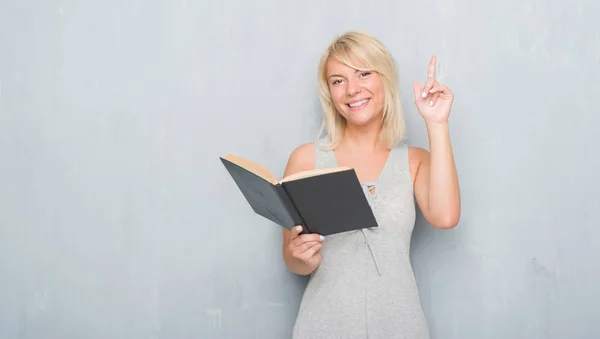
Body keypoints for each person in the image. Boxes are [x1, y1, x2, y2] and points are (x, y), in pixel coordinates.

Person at [281, 30, 461, 338]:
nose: (352, 89)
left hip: (401, 328)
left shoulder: (415, 160)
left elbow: (445, 217)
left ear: (384, 80)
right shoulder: (305, 160)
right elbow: (293, 261)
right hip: (321, 328)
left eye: (363, 73)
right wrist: (299, 257)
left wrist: (437, 123)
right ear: (329, 92)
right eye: (338, 80)